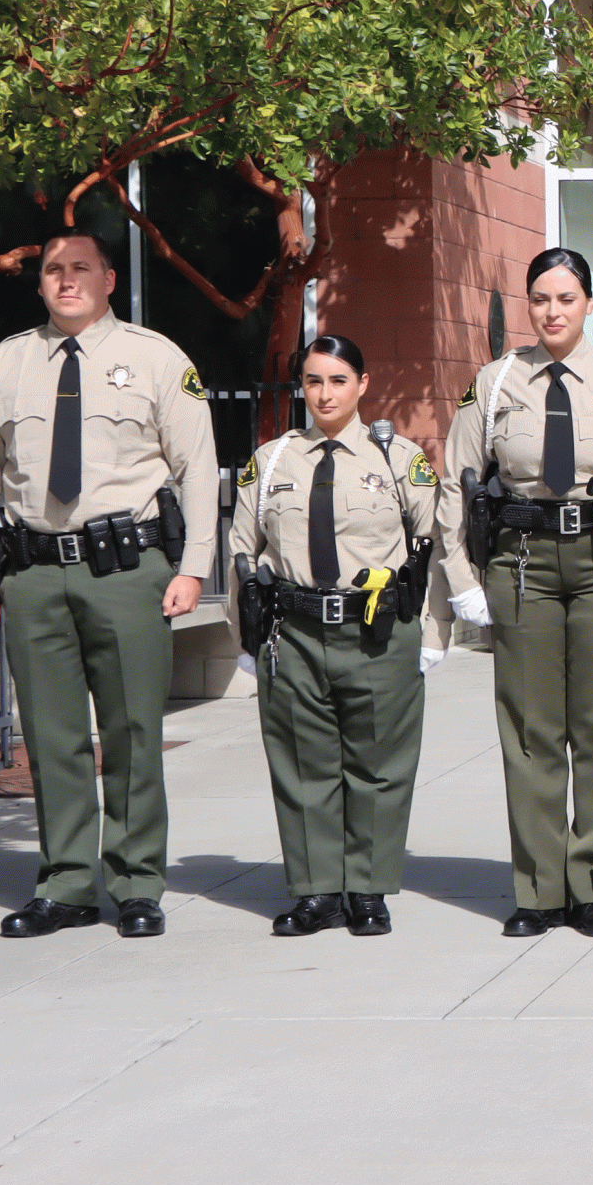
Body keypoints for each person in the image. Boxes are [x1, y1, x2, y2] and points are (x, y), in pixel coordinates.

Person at [0, 229, 217, 939]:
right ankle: (67, 883)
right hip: (34, 572)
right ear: (39, 282)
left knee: (134, 731)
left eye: (80, 269)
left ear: (109, 278)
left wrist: (194, 565)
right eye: (53, 270)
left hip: (128, 572)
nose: (66, 280)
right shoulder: (7, 363)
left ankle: (137, 884)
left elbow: (197, 464)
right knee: (51, 734)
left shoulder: (156, 358)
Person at [437, 248, 593, 939]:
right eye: (541, 299)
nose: (553, 312)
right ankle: (539, 888)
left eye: (566, 298)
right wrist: (461, 580)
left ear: (587, 304)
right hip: (523, 562)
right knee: (529, 728)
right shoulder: (494, 384)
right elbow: (453, 481)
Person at [228, 335, 444, 936]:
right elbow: (242, 551)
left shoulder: (399, 460)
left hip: (376, 631)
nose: (325, 393)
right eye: (315, 381)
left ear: (363, 385)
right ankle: (316, 890)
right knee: (303, 765)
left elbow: (435, 548)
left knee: (377, 763)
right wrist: (245, 639)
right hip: (293, 632)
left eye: (339, 380)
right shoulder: (272, 461)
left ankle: (368, 888)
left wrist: (434, 633)